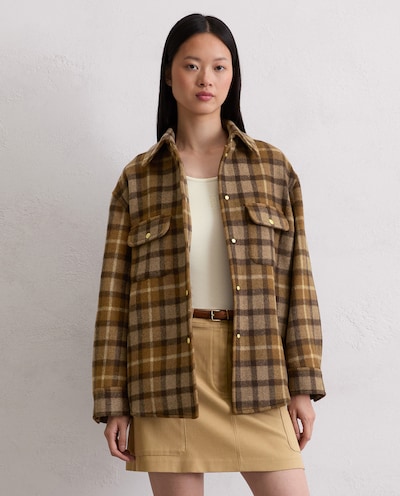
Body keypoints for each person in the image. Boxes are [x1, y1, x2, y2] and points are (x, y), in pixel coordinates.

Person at [92, 13, 326, 496]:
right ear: (169, 74)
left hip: (257, 365)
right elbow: (114, 299)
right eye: (192, 65)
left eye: (220, 67)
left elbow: (297, 280)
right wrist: (112, 399)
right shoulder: (138, 179)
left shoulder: (272, 169)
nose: (206, 79)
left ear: (232, 76)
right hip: (165, 370)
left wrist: (303, 382)